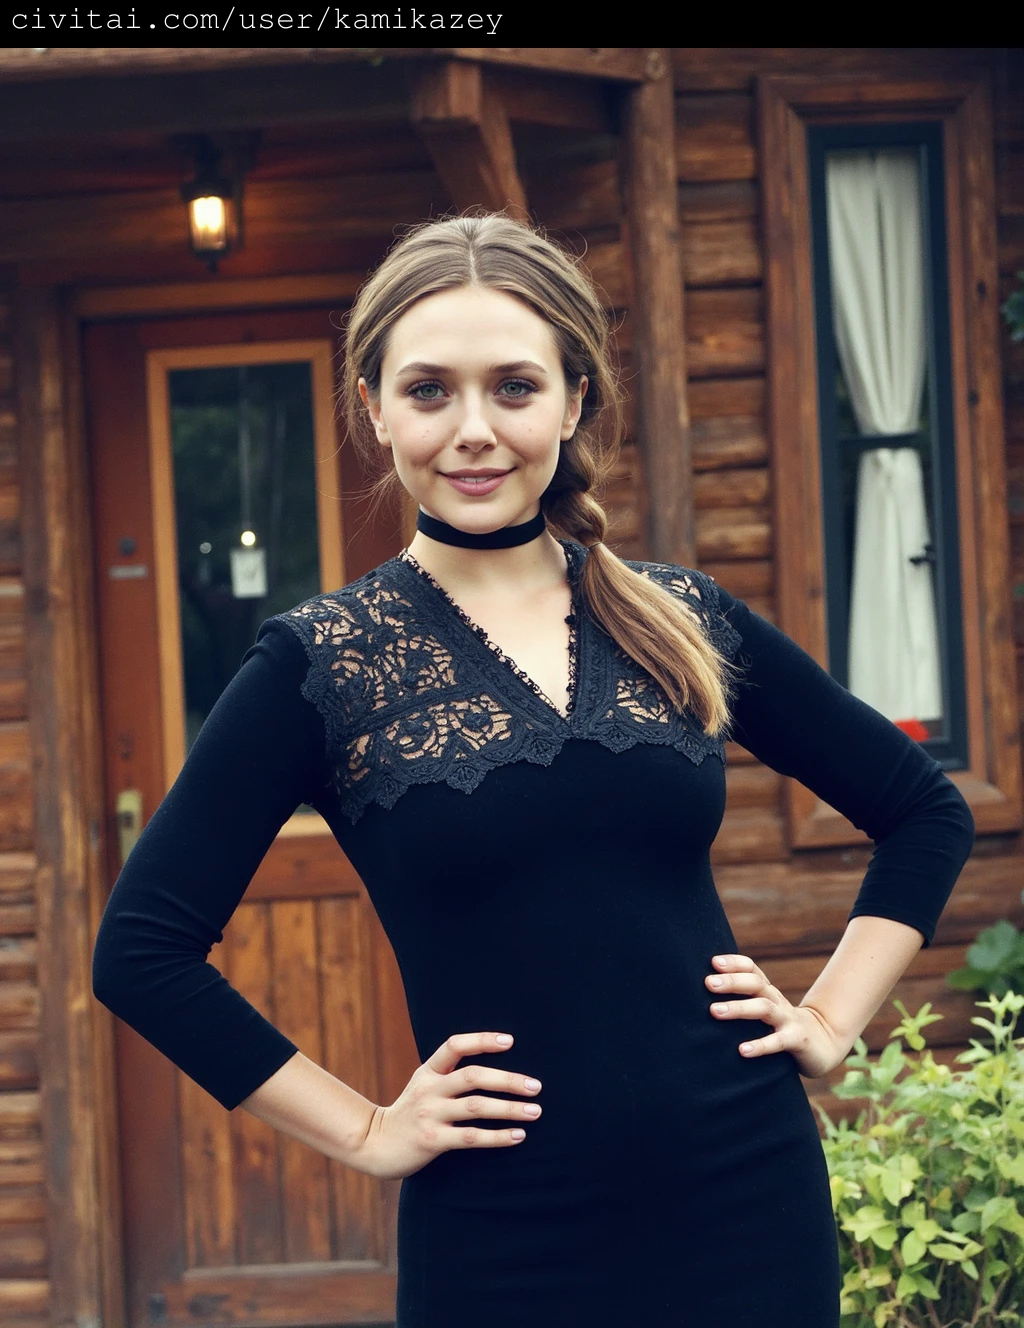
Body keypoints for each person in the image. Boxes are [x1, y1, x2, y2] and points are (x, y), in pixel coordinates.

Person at [92, 213, 975, 1327]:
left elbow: (920, 809)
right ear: (373, 408)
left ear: (573, 399)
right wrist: (366, 1129)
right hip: (503, 1235)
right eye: (428, 391)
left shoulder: (684, 618)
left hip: (747, 1196)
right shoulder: (324, 663)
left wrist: (831, 1017)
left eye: (513, 386)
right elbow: (141, 949)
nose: (472, 429)